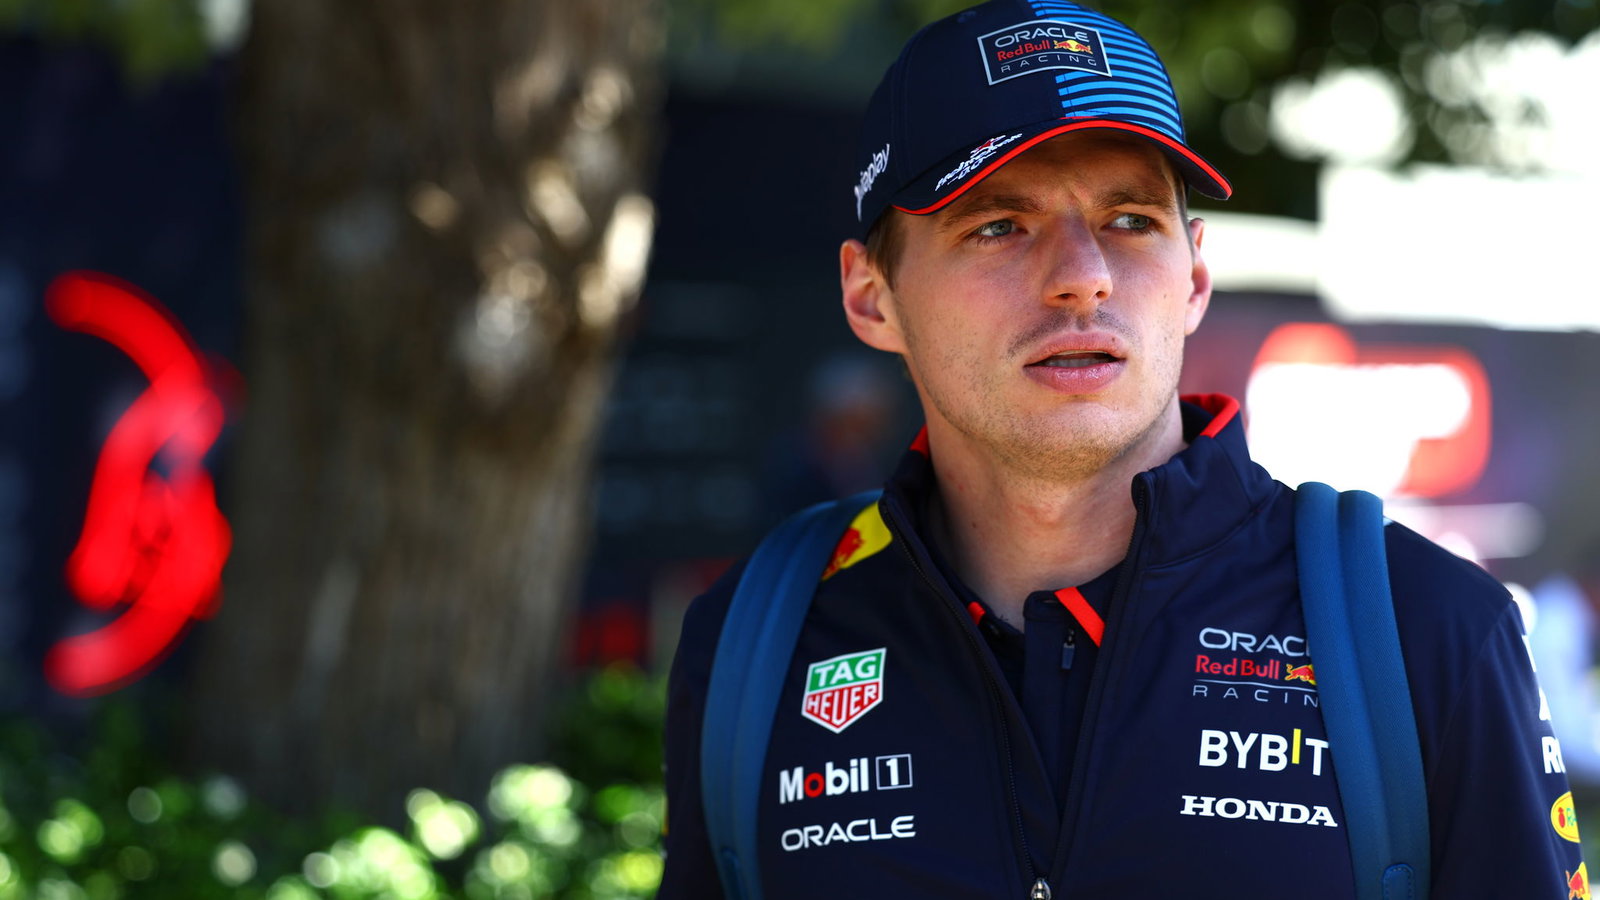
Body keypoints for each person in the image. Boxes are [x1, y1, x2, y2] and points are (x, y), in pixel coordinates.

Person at [658, 0, 1587, 896]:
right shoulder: (757, 638)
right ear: (872, 297)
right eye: (998, 225)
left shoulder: (1428, 626)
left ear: (1194, 275)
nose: (1082, 278)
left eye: (1131, 220)